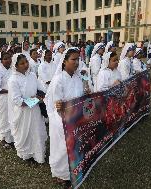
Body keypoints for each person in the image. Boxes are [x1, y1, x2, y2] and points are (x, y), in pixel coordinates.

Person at [44, 48, 91, 187]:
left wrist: (86, 93)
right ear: (64, 62)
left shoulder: (78, 77)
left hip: (75, 118)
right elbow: (55, 104)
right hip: (61, 120)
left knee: (75, 145)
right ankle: (61, 174)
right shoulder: (58, 79)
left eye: (78, 59)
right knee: (62, 148)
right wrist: (62, 107)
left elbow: (80, 96)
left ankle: (74, 169)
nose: (77, 62)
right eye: (73, 59)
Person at [7, 53, 47, 164]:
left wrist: (43, 95)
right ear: (16, 65)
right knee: (25, 132)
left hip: (35, 111)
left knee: (36, 131)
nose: (25, 65)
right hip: (23, 112)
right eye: (22, 63)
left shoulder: (32, 75)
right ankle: (26, 154)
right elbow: (17, 100)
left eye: (26, 62)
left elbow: (41, 88)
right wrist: (34, 100)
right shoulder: (12, 80)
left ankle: (38, 155)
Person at [0, 52, 14, 148]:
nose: (8, 60)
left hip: (11, 99)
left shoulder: (13, 70)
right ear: (1, 61)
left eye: (9, 58)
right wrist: (9, 91)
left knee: (12, 118)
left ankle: (11, 138)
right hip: (2, 100)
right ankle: (3, 138)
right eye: (5, 59)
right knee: (3, 118)